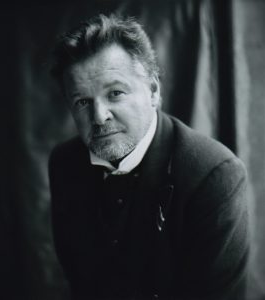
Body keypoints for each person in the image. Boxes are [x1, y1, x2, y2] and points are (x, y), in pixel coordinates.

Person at [48, 14, 249, 300]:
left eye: (115, 93)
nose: (99, 116)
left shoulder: (215, 174)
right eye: (82, 101)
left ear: (153, 91)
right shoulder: (64, 163)